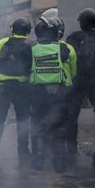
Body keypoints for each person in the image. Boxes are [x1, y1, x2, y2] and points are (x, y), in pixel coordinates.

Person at [65, 8, 95, 167]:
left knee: (71, 115)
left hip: (77, 80)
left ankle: (70, 148)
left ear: (81, 22)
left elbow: (66, 57)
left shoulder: (72, 37)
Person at [29, 15, 74, 173]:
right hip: (58, 93)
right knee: (59, 129)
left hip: (37, 94)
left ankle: (38, 163)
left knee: (37, 128)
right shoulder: (63, 48)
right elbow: (72, 71)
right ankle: (60, 165)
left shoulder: (32, 49)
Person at [0, 18, 33, 167]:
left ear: (13, 29)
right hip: (22, 88)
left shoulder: (2, 43)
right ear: (27, 30)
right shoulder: (31, 44)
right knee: (23, 120)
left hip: (4, 88)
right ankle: (23, 152)